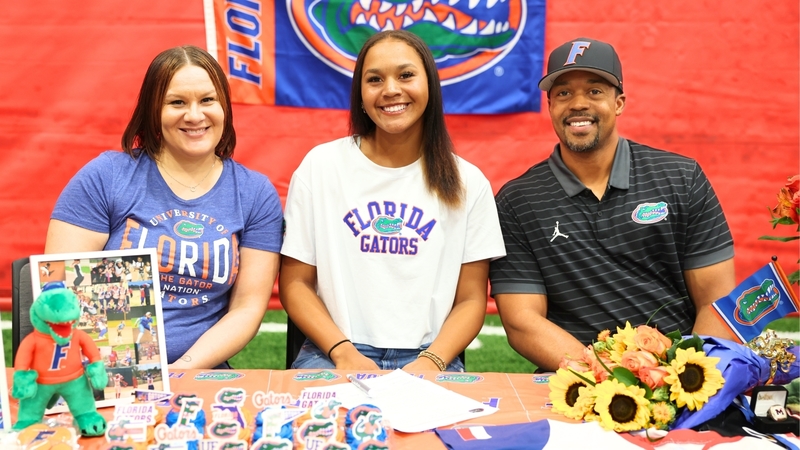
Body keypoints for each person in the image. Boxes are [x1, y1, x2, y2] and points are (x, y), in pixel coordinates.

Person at [488, 38, 735, 371]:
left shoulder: (681, 177)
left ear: (618, 102)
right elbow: (523, 320)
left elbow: (717, 301)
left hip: (677, 380)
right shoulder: (518, 201)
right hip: (575, 382)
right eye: (563, 93)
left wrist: (682, 376)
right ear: (549, 106)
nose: (577, 104)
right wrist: (606, 380)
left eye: (594, 91)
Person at [44, 45, 283, 369]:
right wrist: (127, 372)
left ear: (224, 106)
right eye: (177, 102)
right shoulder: (106, 176)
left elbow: (247, 307)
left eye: (207, 100)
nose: (195, 115)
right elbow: (59, 284)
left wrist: (181, 370)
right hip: (101, 370)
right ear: (154, 109)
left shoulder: (256, 194)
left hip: (200, 372)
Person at [279, 30, 505, 372]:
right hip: (332, 353)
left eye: (405, 75)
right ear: (360, 93)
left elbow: (472, 299)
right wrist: (343, 353)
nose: (390, 90)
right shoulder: (320, 166)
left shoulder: (468, 182)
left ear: (429, 82)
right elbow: (295, 283)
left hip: (429, 355)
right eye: (374, 79)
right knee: (322, 428)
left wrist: (431, 361)